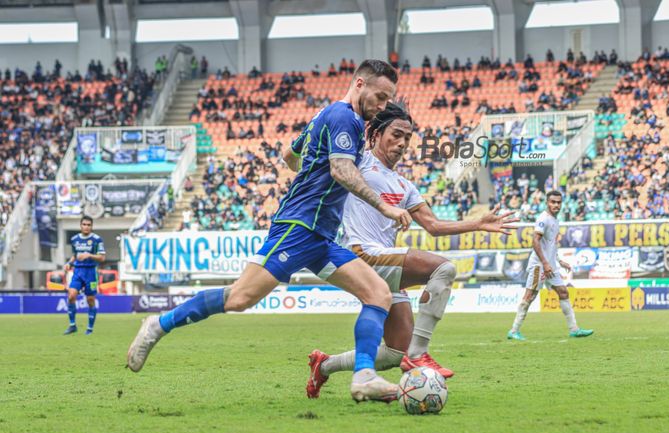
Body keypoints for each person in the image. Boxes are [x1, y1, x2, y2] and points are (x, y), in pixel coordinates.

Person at [126, 60, 412, 403]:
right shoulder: (343, 118)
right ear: (360, 84)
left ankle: (364, 375)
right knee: (239, 298)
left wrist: (308, 173)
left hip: (319, 235)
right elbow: (340, 169)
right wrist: (384, 205)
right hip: (298, 227)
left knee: (377, 293)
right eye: (380, 97)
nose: (382, 106)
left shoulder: (326, 116)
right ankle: (158, 325)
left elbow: (290, 155)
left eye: (387, 100)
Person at [306, 103, 517, 398]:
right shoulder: (359, 161)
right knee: (444, 268)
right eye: (396, 134)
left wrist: (477, 224)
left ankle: (324, 366)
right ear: (376, 134)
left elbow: (432, 225)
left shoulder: (405, 186)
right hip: (362, 254)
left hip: (384, 262)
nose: (402, 143)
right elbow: (334, 163)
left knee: (393, 352)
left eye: (407, 137)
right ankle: (419, 354)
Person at [507, 191, 594, 341]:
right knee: (529, 296)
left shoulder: (555, 220)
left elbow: (550, 245)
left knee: (563, 292)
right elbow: (535, 241)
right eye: (553, 202)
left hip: (551, 265)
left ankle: (574, 329)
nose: (556, 205)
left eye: (558, 202)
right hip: (539, 265)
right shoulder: (543, 219)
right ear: (547, 202)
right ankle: (514, 331)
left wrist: (559, 260)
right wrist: (545, 263)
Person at [63, 216, 106, 335]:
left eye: (89, 225)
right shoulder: (75, 239)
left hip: (90, 272)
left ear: (92, 226)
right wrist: (69, 263)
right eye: (84, 224)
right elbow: (75, 255)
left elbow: (102, 257)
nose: (86, 227)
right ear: (80, 225)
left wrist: (89, 255)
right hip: (78, 272)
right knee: (71, 296)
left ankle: (90, 329)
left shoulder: (97, 240)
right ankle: (72, 325)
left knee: (90, 300)